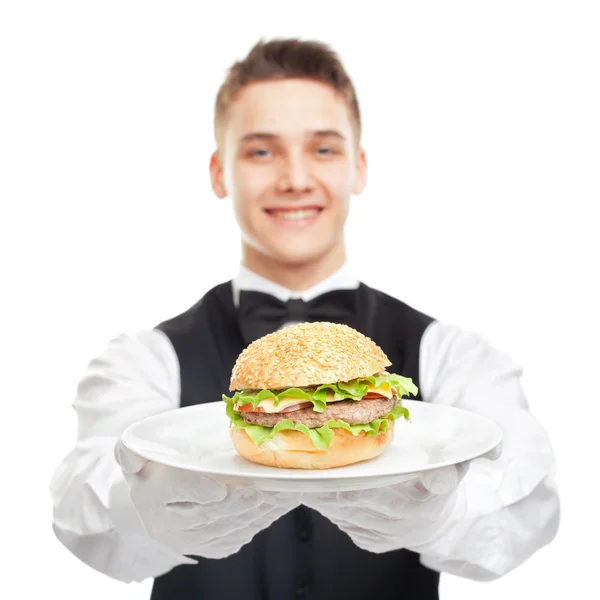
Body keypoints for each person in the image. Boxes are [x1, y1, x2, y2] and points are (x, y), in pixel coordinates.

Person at [49, 37, 560, 599]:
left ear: (358, 167)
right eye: (261, 151)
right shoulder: (143, 358)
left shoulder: (450, 351)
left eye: (323, 149)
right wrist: (139, 509)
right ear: (219, 173)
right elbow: (79, 507)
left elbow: (533, 510)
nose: (294, 178)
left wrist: (446, 516)